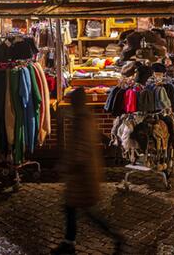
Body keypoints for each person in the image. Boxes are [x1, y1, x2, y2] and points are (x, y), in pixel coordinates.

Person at [52, 88, 109, 254]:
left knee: (83, 210)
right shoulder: (86, 117)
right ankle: (69, 241)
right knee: (77, 209)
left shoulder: (81, 121)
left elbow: (80, 150)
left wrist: (66, 167)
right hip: (86, 173)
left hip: (82, 175)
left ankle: (113, 235)